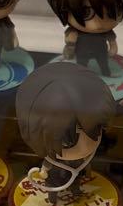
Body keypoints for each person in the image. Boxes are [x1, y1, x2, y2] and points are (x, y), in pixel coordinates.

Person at [15, 61, 116, 197]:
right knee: (53, 190)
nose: (85, 148)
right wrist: (44, 171)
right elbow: (46, 165)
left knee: (75, 186)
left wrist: (87, 169)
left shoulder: (82, 157)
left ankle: (75, 192)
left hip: (75, 175)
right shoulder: (52, 157)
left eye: (96, 130)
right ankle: (53, 198)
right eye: (68, 141)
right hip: (55, 178)